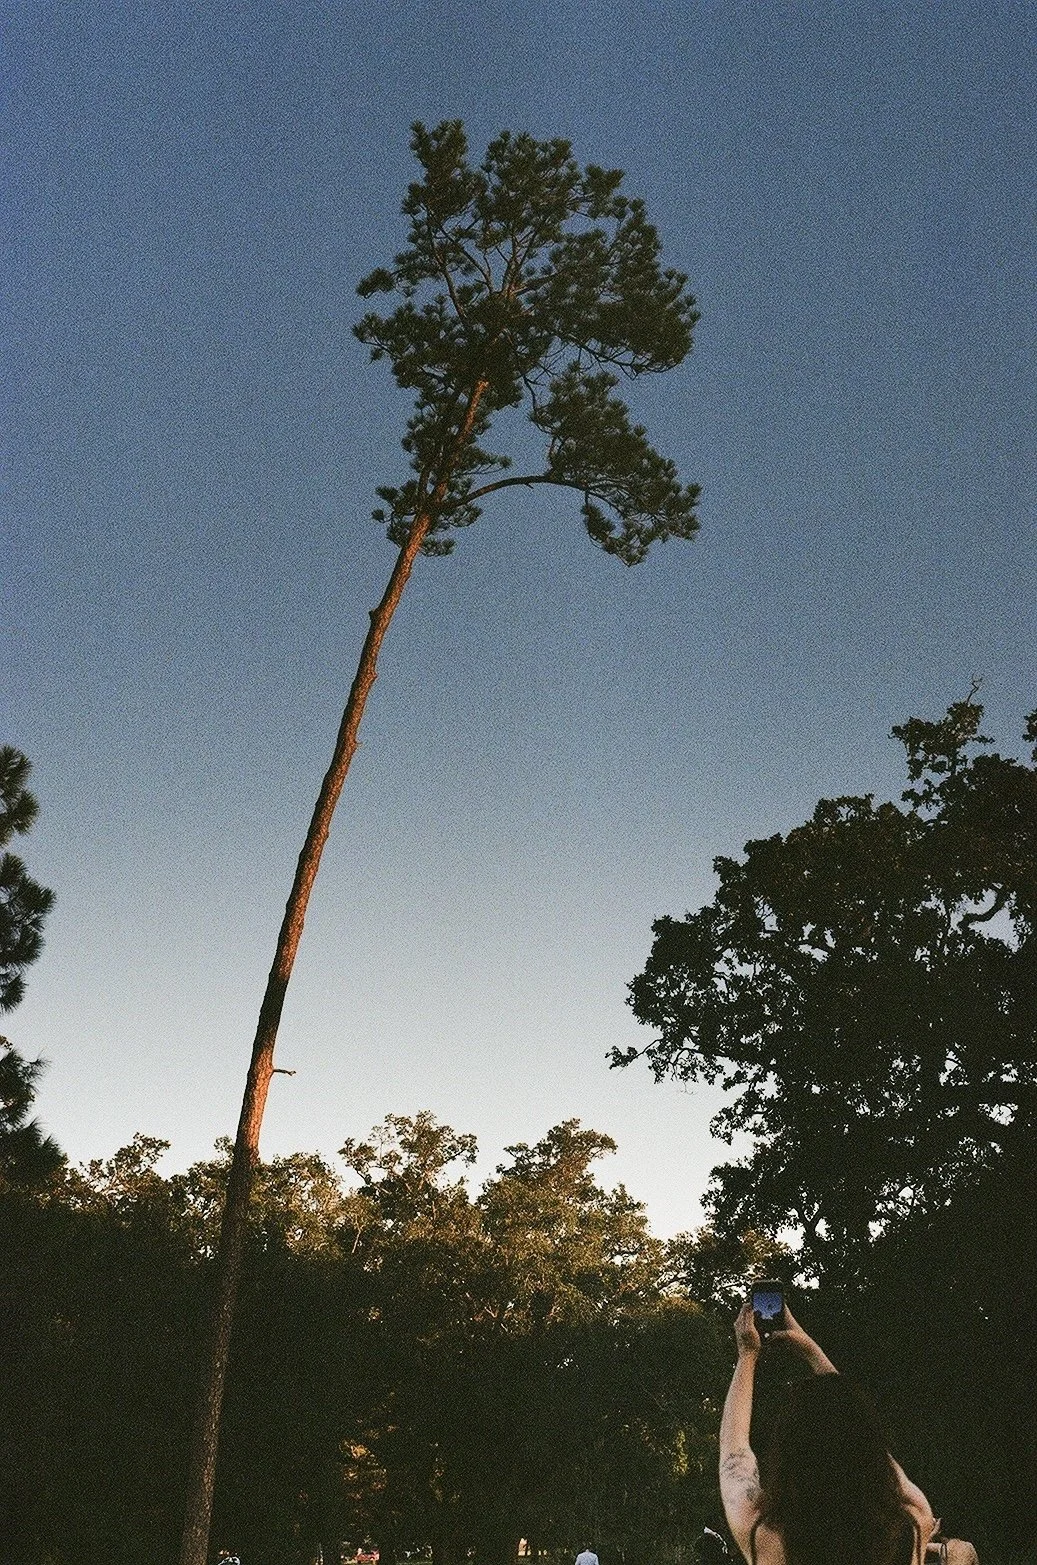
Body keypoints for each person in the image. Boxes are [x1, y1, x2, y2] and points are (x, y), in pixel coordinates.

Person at [719, 1301, 978, 1565]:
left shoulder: (763, 1533)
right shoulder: (910, 1524)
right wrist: (812, 1351)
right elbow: (867, 1444)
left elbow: (734, 1454)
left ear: (787, 1450)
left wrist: (748, 1354)